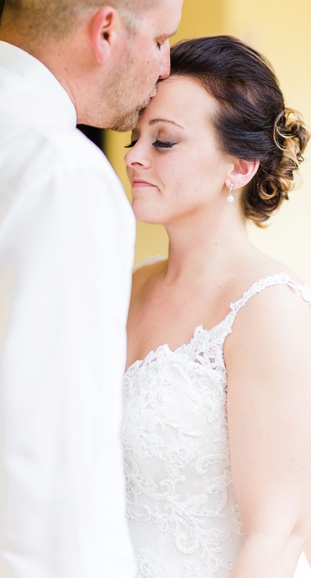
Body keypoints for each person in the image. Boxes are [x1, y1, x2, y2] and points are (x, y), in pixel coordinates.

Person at [120, 35, 311, 578]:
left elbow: (277, 534)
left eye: (163, 141)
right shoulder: (129, 287)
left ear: (239, 167)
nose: (133, 156)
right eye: (135, 136)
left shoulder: (268, 310)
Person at [0, 1, 182, 576]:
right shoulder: (62, 173)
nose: (165, 67)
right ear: (105, 30)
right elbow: (54, 467)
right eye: (159, 41)